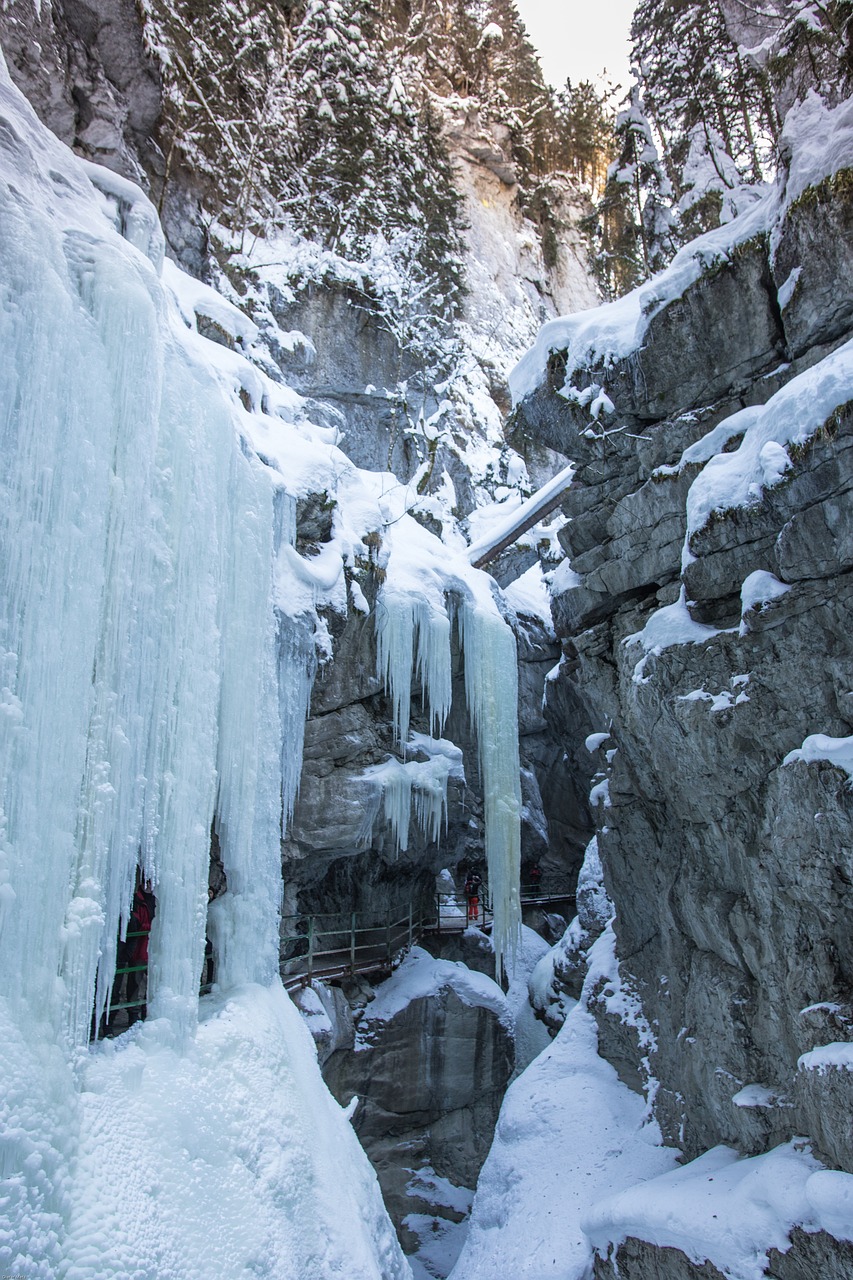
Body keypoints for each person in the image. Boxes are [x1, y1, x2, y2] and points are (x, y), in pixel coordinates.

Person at [126, 879, 155, 1025]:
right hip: (139, 948)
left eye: (150, 883)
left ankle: (146, 1010)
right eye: (146, 883)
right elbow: (135, 923)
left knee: (150, 982)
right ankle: (133, 1013)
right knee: (136, 982)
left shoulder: (155, 901)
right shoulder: (136, 901)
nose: (148, 886)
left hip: (152, 949)